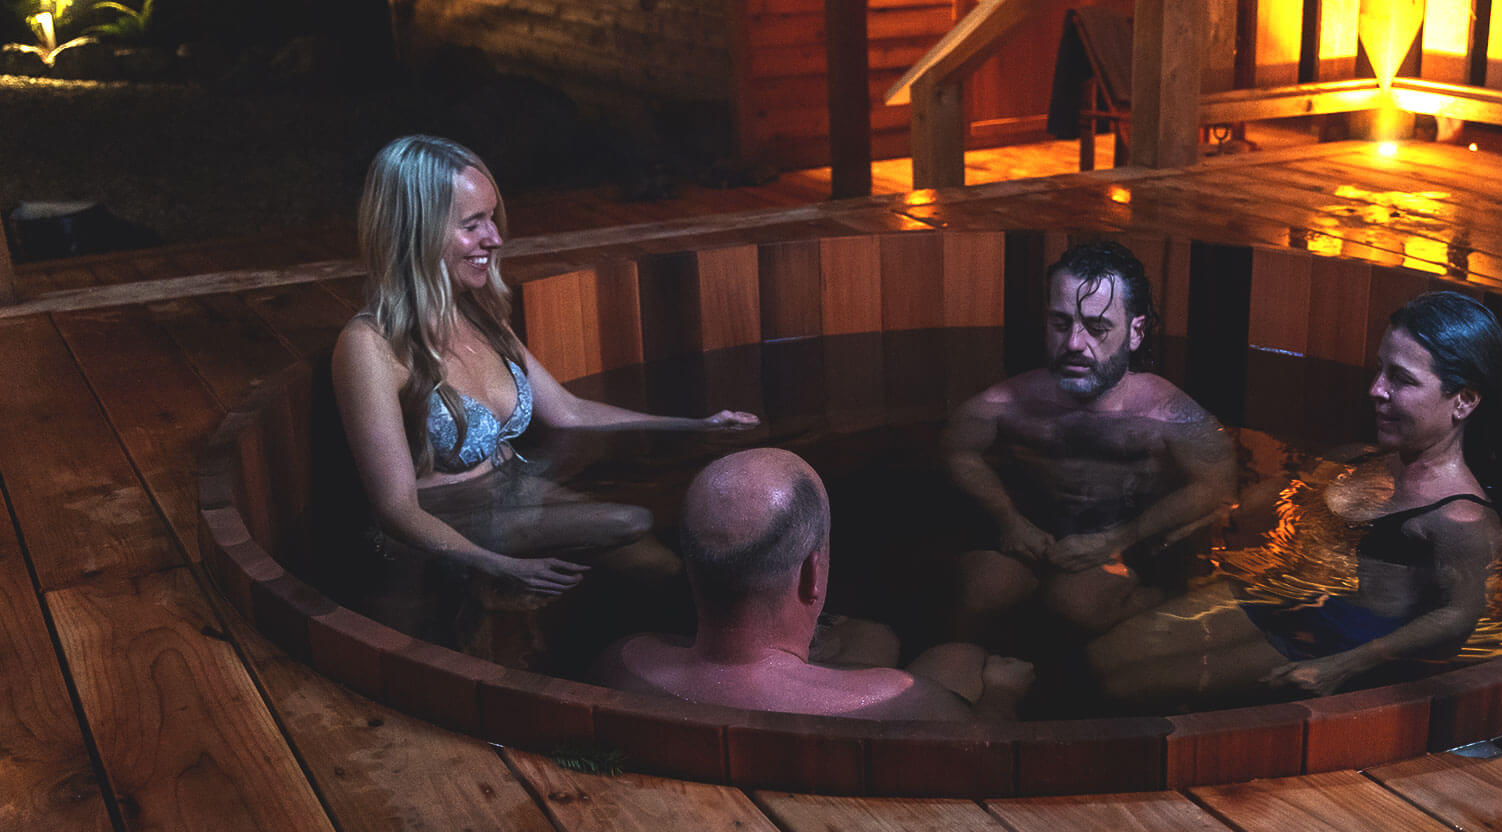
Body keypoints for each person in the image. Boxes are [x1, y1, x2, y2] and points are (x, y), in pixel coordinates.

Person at [332, 135, 760, 604]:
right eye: (473, 224)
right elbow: (395, 509)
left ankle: (754, 641)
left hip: (518, 492)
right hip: (449, 517)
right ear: (416, 231)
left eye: (492, 218)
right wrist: (499, 566)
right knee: (633, 521)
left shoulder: (477, 315)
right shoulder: (370, 346)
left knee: (668, 566)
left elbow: (569, 412)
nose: (494, 238)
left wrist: (696, 426)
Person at [1086, 290, 1502, 703]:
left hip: (1334, 641)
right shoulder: (1362, 459)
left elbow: (1457, 618)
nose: (1376, 390)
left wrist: (1345, 665)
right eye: (1380, 370)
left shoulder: (1460, 520)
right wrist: (1218, 514)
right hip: (1284, 595)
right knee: (1098, 659)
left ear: (1464, 400)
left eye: (1400, 379)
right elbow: (1289, 492)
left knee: (1115, 689)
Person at [592, 448, 1034, 720]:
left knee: (871, 639)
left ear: (690, 565)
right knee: (961, 658)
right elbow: (988, 748)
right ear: (811, 573)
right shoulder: (909, 703)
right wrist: (1002, 692)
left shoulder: (623, 663)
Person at [943, 241, 1235, 639]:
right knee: (983, 593)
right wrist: (1009, 520)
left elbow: (1217, 483)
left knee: (1079, 605)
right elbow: (960, 451)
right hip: (1032, 528)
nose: (1075, 344)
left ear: (1135, 332)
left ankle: (1157, 601)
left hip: (1127, 538)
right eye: (1061, 324)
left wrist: (1121, 537)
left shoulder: (1167, 414)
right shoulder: (1006, 403)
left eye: (1096, 328)